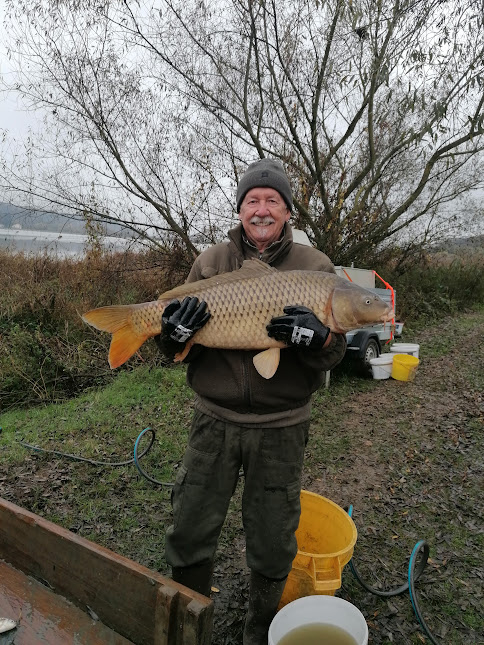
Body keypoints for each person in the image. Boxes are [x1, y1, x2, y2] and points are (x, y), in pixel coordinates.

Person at [157, 159, 347, 645]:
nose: (262, 210)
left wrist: (321, 338)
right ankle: (188, 627)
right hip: (214, 419)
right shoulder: (211, 262)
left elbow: (334, 353)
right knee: (190, 524)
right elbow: (175, 346)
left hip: (282, 425)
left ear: (287, 211)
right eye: (252, 201)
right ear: (241, 209)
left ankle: (260, 630)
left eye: (273, 201)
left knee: (273, 536)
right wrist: (169, 336)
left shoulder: (316, 267)